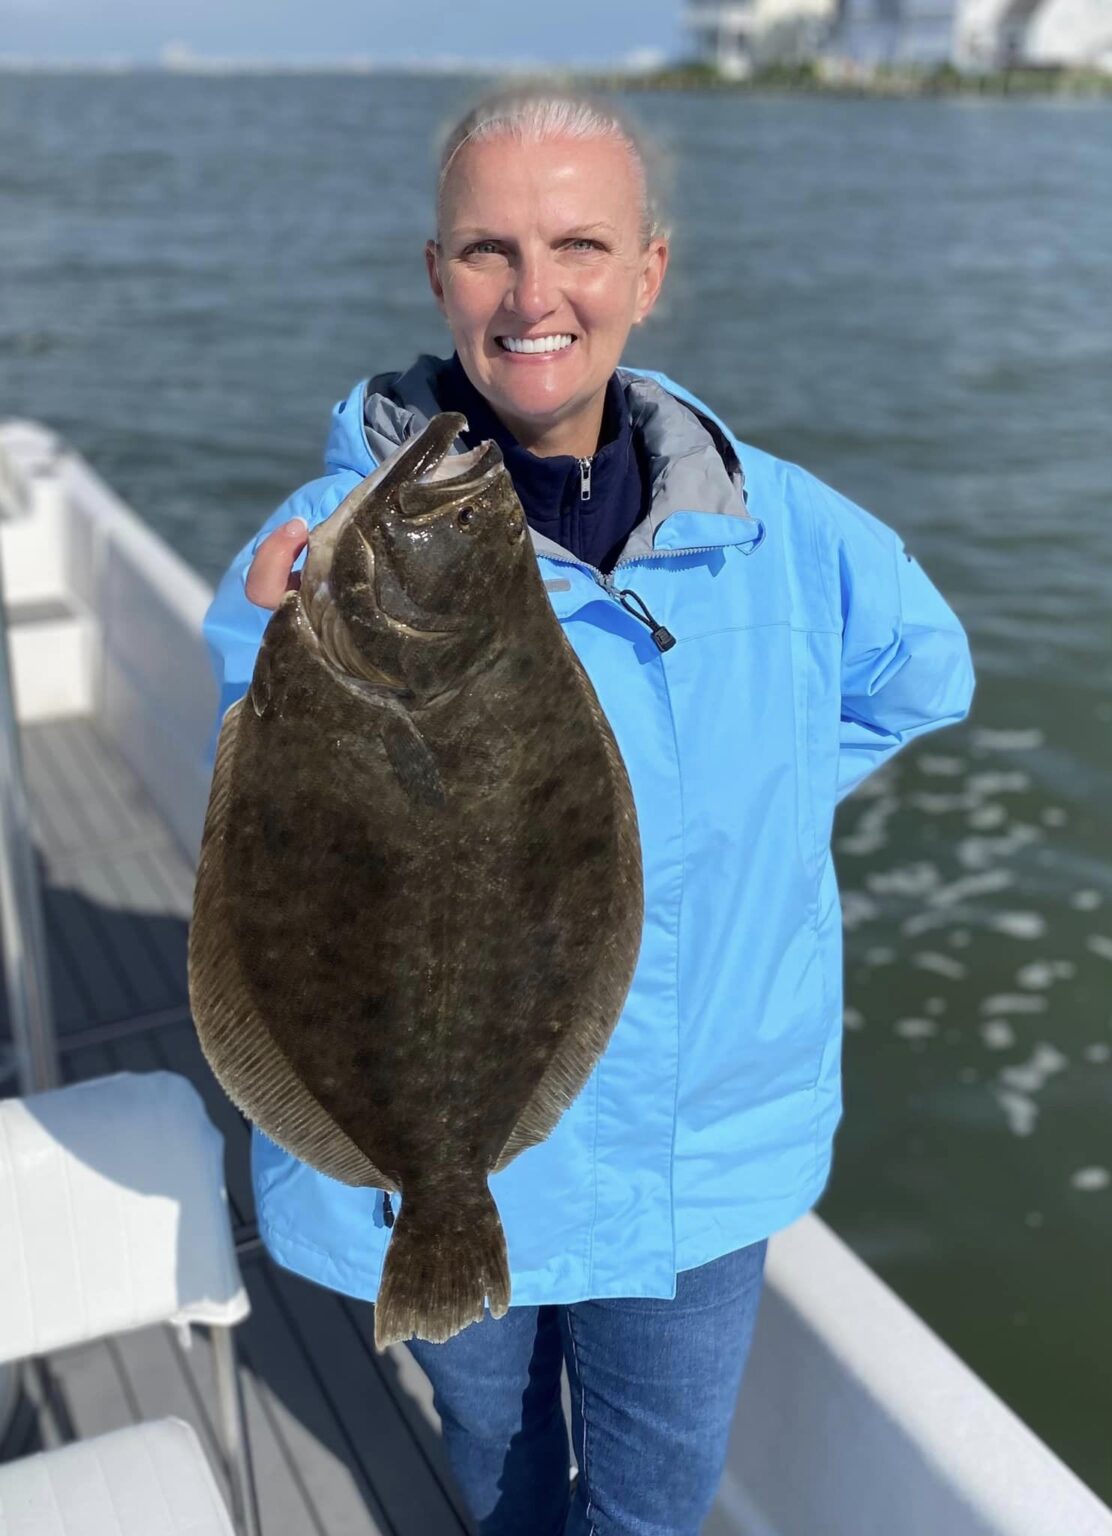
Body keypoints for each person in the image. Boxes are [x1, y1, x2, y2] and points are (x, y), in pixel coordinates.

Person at [201, 87, 975, 1536]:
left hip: (695, 1147)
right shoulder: (317, 544)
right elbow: (256, 823)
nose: (534, 292)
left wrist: (711, 821)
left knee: (654, 1495)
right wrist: (276, 660)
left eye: (579, 245)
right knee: (495, 1463)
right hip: (426, 1156)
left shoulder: (788, 526)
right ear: (437, 276)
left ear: (647, 273)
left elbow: (921, 674)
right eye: (488, 249)